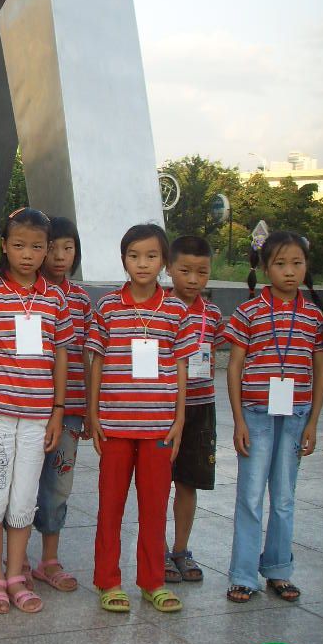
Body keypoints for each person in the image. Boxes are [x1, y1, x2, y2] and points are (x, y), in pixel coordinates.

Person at [86, 223, 195, 614]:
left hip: (158, 428)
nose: (142, 263)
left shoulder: (177, 311)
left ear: (163, 261)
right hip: (115, 425)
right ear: (124, 260)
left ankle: (153, 581)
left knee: (154, 508)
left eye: (151, 256)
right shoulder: (108, 307)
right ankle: (108, 580)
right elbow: (96, 361)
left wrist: (179, 419)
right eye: (134, 256)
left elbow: (181, 367)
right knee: (110, 506)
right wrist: (93, 413)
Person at [0, 207, 70, 615]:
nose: (28, 255)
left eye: (37, 247)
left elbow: (61, 357)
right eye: (19, 245)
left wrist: (58, 411)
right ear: (4, 246)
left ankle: (15, 575)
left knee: (24, 496)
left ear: (48, 249)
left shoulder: (56, 299)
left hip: (37, 417)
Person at [225, 230, 323, 604]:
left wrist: (313, 421)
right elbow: (234, 367)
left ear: (306, 266)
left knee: (284, 497)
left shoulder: (314, 316)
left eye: (297, 263)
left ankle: (279, 570)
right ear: (265, 267)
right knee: (251, 496)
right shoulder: (249, 311)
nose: (289, 271)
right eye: (280, 264)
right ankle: (242, 575)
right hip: (255, 415)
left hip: (296, 416)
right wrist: (238, 420)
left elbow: (320, 369)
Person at [30, 216, 91, 592]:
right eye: (51, 247)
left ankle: (49, 559)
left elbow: (86, 355)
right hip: (26, 404)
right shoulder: (23, 293)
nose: (59, 255)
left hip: (69, 410)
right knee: (20, 484)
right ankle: (16, 558)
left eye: (68, 248)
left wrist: (90, 409)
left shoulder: (81, 300)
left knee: (58, 485)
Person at [164, 235, 224, 584]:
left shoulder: (212, 314)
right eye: (185, 270)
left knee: (189, 482)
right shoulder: (159, 308)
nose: (193, 279)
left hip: (201, 408)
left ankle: (181, 549)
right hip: (163, 407)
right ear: (169, 268)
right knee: (158, 483)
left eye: (202, 272)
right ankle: (157, 548)